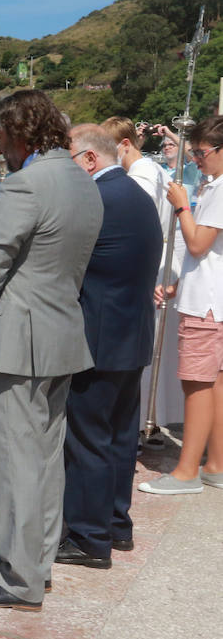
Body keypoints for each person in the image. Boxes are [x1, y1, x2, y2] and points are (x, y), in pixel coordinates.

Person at [0, 90, 101, 612]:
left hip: (18, 341)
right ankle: (36, 561)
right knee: (45, 457)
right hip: (64, 334)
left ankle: (17, 580)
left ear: (18, 133)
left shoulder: (23, 186)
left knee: (13, 461)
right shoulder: (85, 183)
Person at [58, 125, 161, 566]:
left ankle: (88, 538)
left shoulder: (98, 200)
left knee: (87, 440)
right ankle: (117, 525)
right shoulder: (135, 195)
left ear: (89, 160)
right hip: (132, 334)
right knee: (120, 436)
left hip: (98, 339)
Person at [143, 116, 223, 495]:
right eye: (193, 152)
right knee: (216, 385)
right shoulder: (212, 187)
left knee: (197, 384)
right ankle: (216, 464)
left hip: (205, 307)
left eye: (201, 153)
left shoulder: (219, 190)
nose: (196, 159)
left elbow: (196, 244)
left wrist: (180, 206)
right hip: (209, 297)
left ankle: (187, 471)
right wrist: (177, 285)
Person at [102, 116, 183, 441]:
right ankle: (147, 423)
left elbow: (131, 226)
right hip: (160, 260)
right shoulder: (148, 170)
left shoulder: (142, 176)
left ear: (124, 145)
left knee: (143, 352)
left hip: (151, 266)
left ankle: (135, 427)